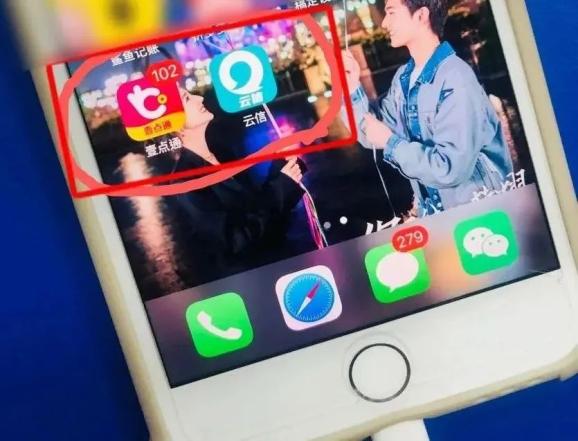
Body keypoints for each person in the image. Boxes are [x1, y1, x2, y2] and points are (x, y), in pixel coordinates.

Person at [343, 0, 513, 217]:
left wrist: (390, 142)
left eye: (391, 13)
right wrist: (352, 87)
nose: (384, 23)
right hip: (440, 218)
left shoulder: (455, 78)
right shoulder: (403, 79)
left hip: (481, 218)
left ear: (421, 16)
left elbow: (449, 168)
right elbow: (370, 132)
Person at [169, 87, 306, 285]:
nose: (200, 98)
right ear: (174, 123)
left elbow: (258, 207)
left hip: (280, 265)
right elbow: (234, 240)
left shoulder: (222, 152)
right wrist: (281, 186)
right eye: (187, 98)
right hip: (249, 284)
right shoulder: (184, 181)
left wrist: (282, 167)